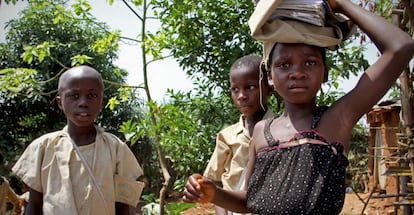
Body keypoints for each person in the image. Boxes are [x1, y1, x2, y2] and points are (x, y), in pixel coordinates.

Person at [182, 0, 414, 214]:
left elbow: (400, 46)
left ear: (325, 73)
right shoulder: (263, 132)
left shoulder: (336, 120)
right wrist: (213, 193)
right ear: (269, 76)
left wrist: (340, 4)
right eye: (284, 64)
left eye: (310, 62)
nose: (297, 72)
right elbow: (249, 201)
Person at [12, 65, 144, 215]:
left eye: (92, 95)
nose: (83, 103)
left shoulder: (116, 148)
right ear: (60, 102)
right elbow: (35, 204)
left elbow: (123, 207)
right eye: (74, 95)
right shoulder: (43, 147)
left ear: (102, 101)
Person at [203, 55, 274, 215]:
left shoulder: (282, 132)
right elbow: (215, 181)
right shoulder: (226, 136)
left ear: (269, 86)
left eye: (250, 87)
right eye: (236, 89)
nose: (241, 95)